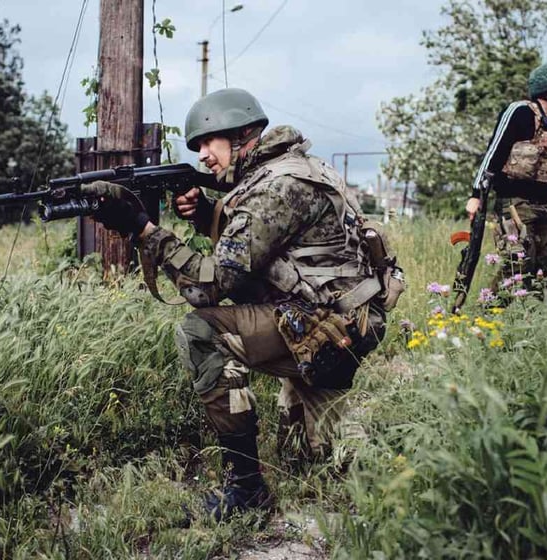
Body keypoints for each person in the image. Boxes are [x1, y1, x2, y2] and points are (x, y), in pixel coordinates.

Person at [83, 88, 397, 521]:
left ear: (243, 134)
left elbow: (210, 287)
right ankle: (325, 431)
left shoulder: (276, 188)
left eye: (208, 143)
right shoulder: (299, 168)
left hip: (330, 328)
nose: (203, 157)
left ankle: (247, 490)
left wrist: (142, 229)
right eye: (197, 148)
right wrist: (203, 213)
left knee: (201, 331)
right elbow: (273, 247)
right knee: (321, 459)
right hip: (346, 316)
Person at [465, 61, 547, 301]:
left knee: (545, 270)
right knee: (517, 264)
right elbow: (494, 152)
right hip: (515, 202)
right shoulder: (520, 111)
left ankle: (533, 324)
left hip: (546, 206)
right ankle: (488, 317)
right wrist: (476, 195)